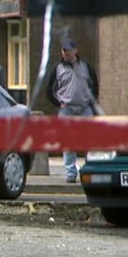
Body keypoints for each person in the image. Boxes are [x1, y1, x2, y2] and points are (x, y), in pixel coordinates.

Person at [46, 38, 99, 183]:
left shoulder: (86, 67)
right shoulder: (58, 69)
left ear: (76, 50)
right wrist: (58, 103)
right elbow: (49, 90)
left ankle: (89, 169)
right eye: (64, 51)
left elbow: (95, 86)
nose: (66, 54)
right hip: (67, 110)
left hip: (84, 109)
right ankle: (71, 172)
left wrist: (91, 102)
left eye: (69, 51)